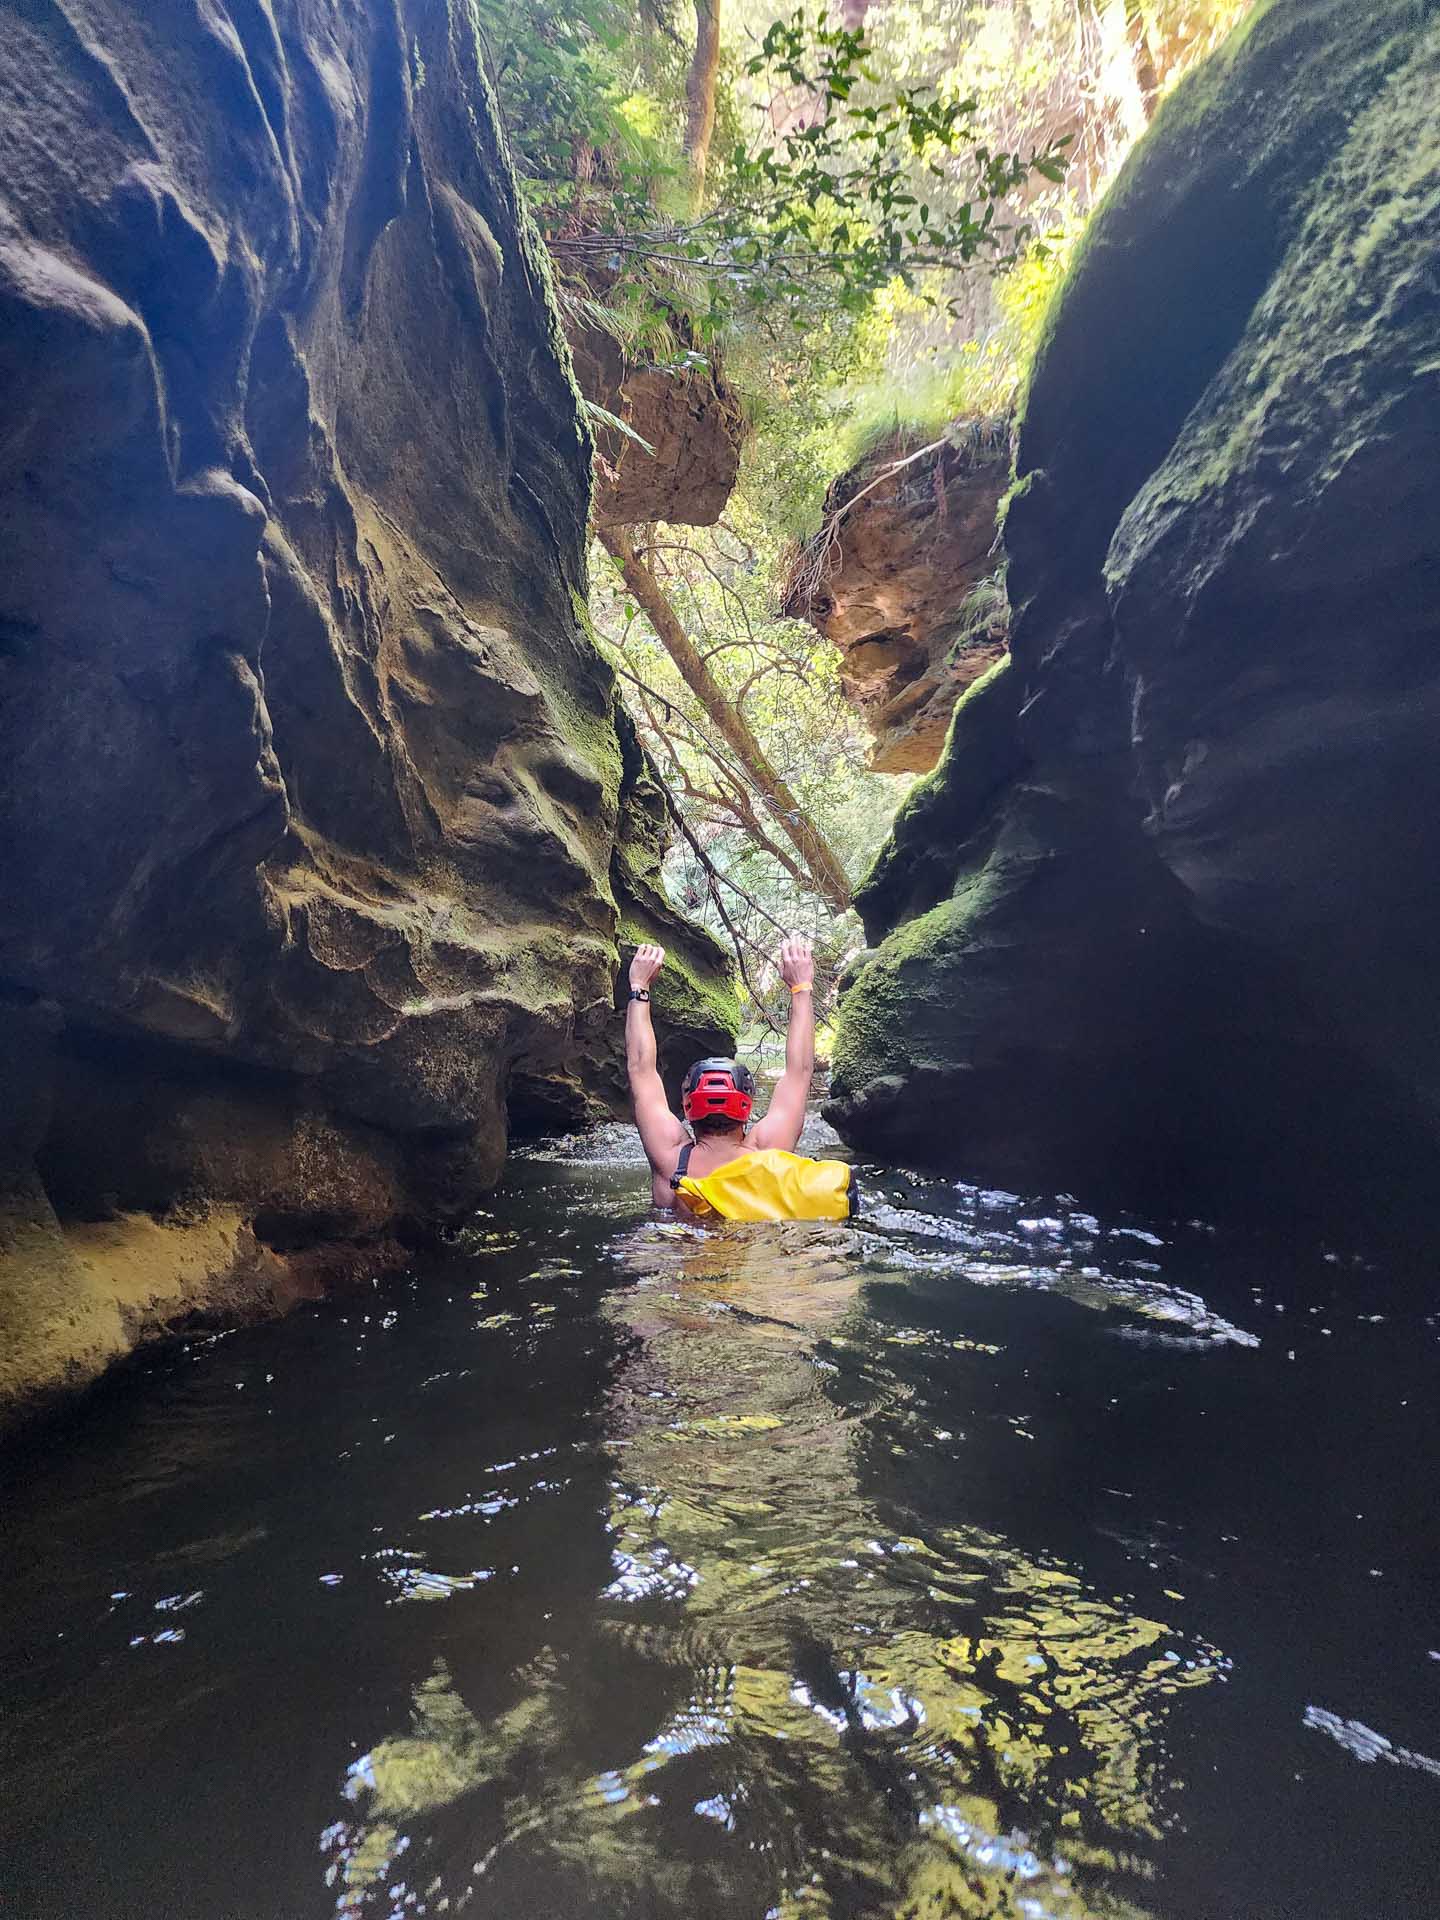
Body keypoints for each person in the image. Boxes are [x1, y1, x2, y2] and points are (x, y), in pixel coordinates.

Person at [625, 936, 815, 1214]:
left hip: (673, 1251)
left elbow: (640, 1068)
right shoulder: (768, 1151)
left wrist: (639, 987)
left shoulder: (669, 1156)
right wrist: (801, 987)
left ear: (688, 1106)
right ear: (746, 1105)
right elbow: (800, 1070)